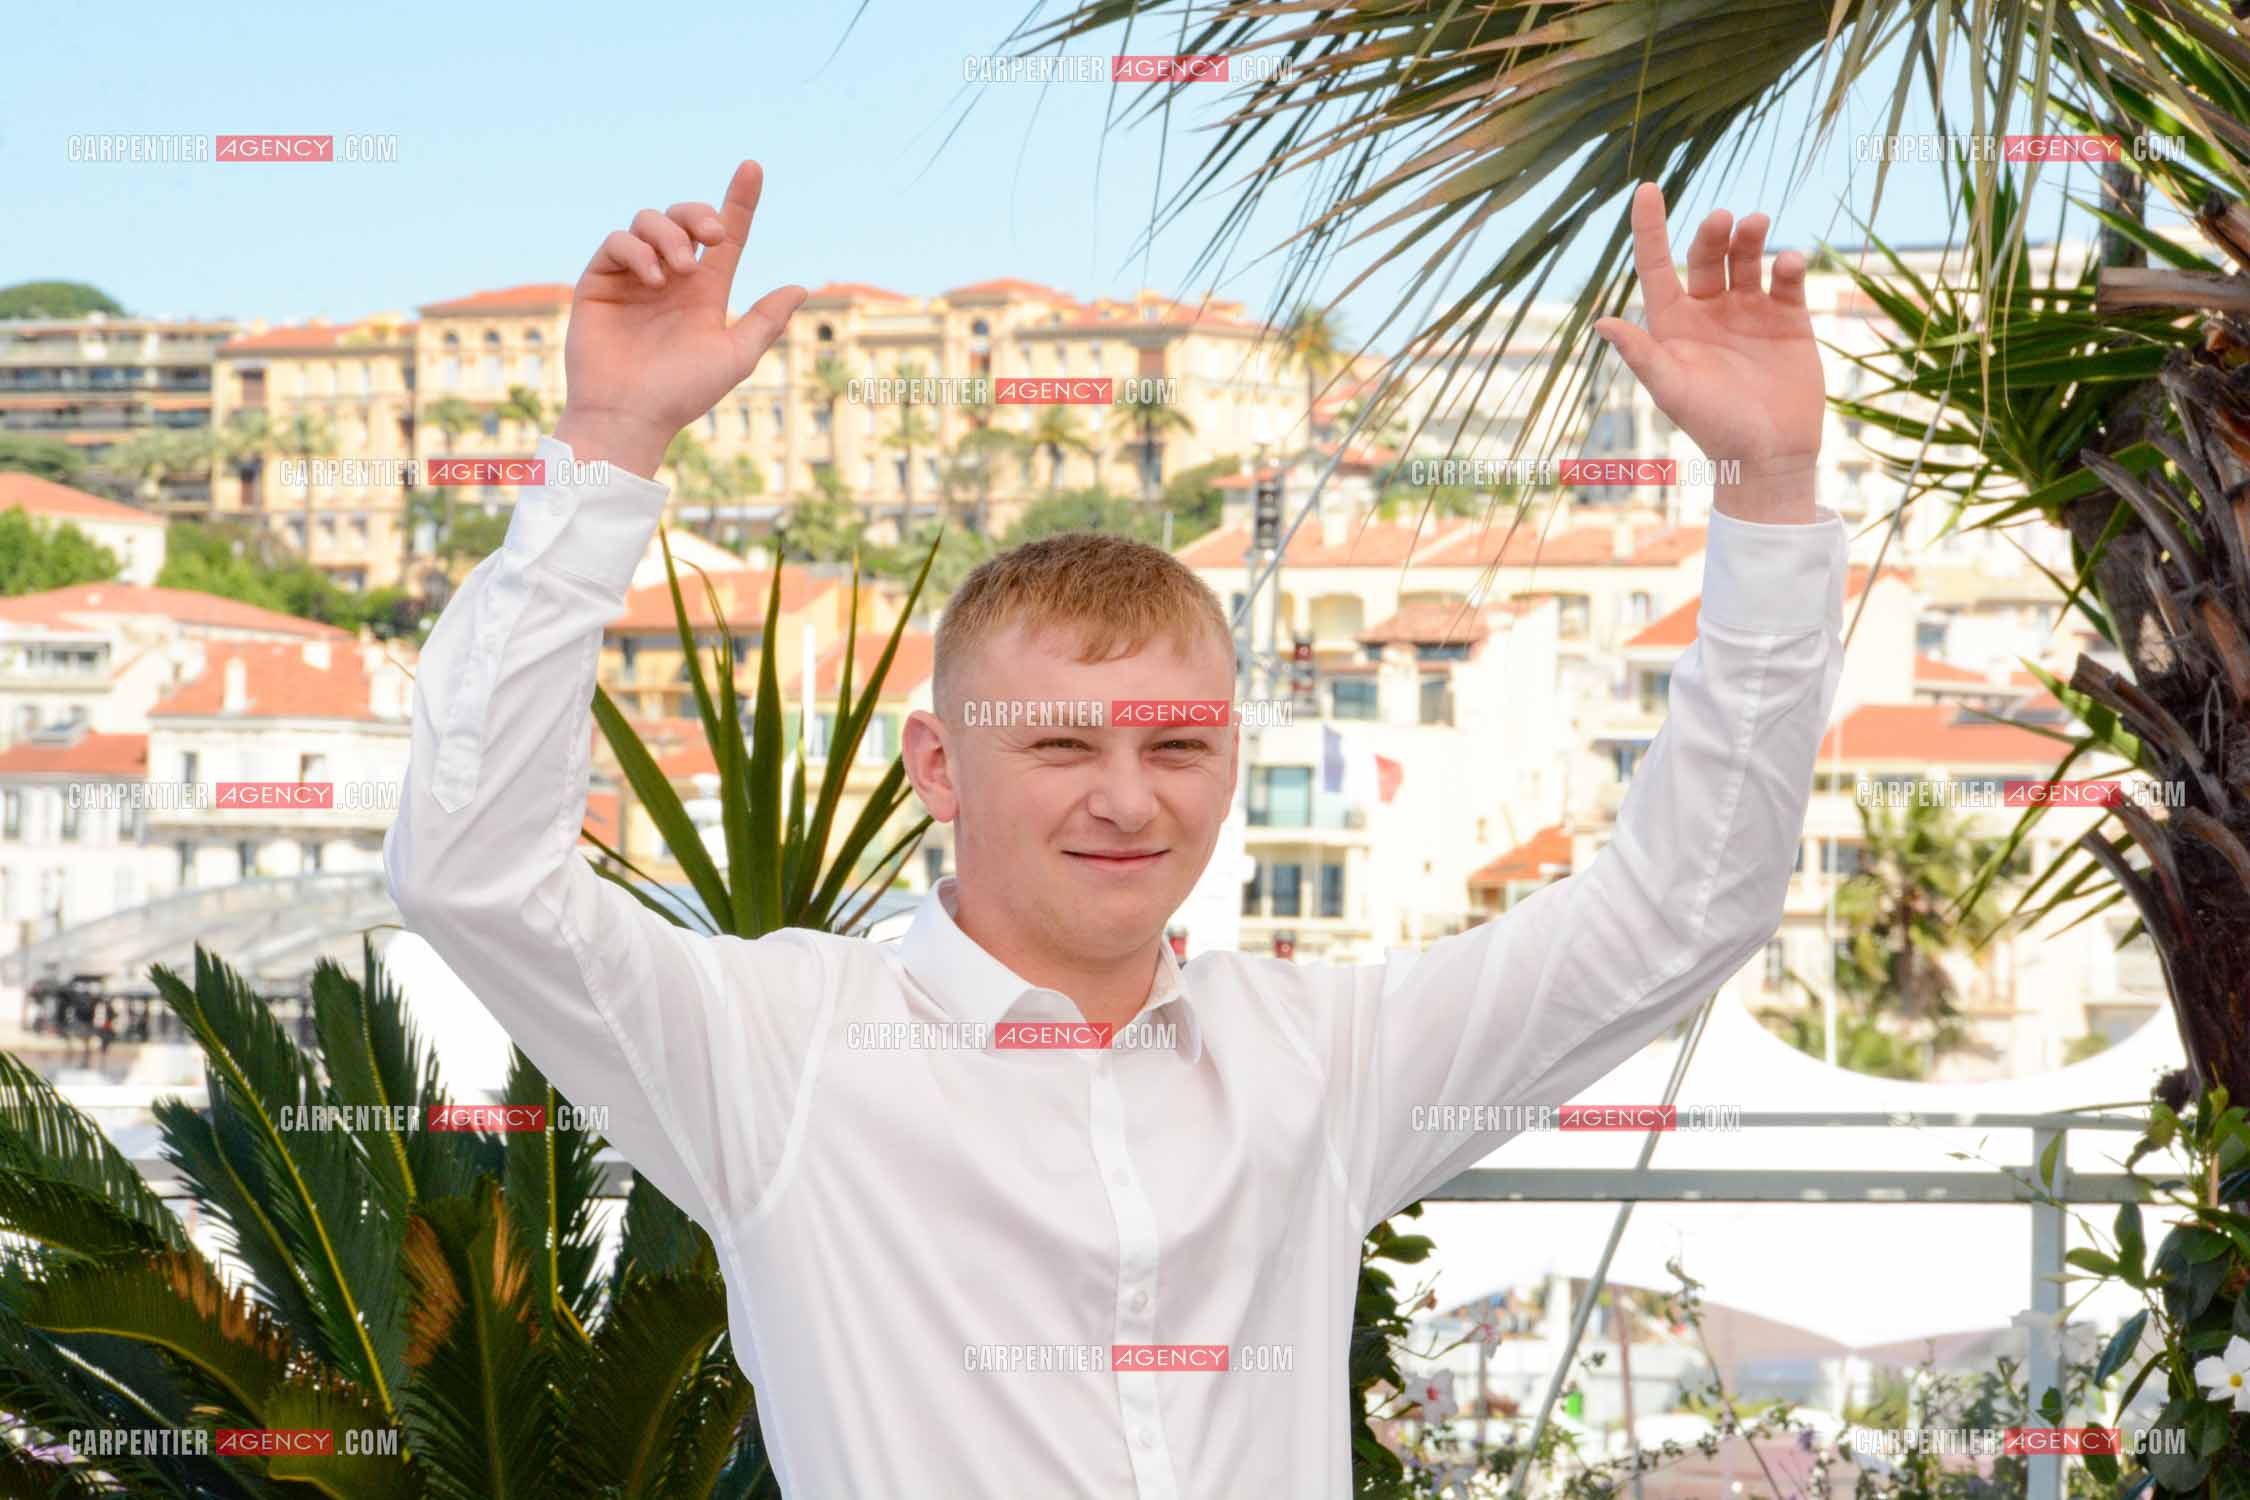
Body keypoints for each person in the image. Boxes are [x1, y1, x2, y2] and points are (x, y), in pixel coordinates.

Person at [384, 159, 1848, 1498]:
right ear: (938, 768)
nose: (1129, 799)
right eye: (1062, 745)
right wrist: (608, 443)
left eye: (1176, 747)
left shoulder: (1321, 1062)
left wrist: (1769, 491)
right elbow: (476, 873)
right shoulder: (777, 1051)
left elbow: (1683, 910)